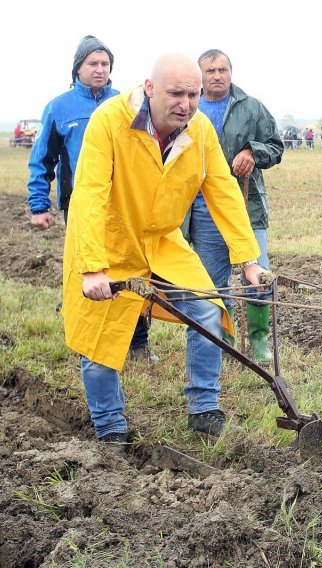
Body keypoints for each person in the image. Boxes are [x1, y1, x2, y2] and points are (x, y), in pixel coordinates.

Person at [63, 53, 271, 451]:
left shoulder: (199, 129)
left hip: (162, 242)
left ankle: (204, 407)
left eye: (193, 95)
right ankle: (109, 424)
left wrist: (248, 259)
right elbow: (89, 193)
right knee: (100, 337)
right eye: (176, 93)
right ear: (149, 88)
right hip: (108, 244)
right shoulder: (109, 122)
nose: (186, 104)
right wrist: (92, 269)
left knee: (208, 306)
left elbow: (223, 190)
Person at [27, 35, 156, 363]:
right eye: (92, 64)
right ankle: (90, 340)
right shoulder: (59, 108)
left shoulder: (127, 104)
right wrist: (38, 205)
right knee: (90, 268)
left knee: (133, 270)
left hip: (126, 205)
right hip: (81, 205)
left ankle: (138, 343)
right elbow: (42, 159)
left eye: (105, 64)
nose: (100, 70)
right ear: (77, 68)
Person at [183, 48, 284, 363]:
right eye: (210, 71)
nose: (217, 76)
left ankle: (258, 340)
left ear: (231, 72)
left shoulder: (251, 108)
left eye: (222, 70)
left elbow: (275, 147)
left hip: (247, 206)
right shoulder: (187, 109)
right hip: (201, 210)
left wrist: (253, 152)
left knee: (258, 276)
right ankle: (223, 338)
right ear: (200, 76)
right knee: (212, 282)